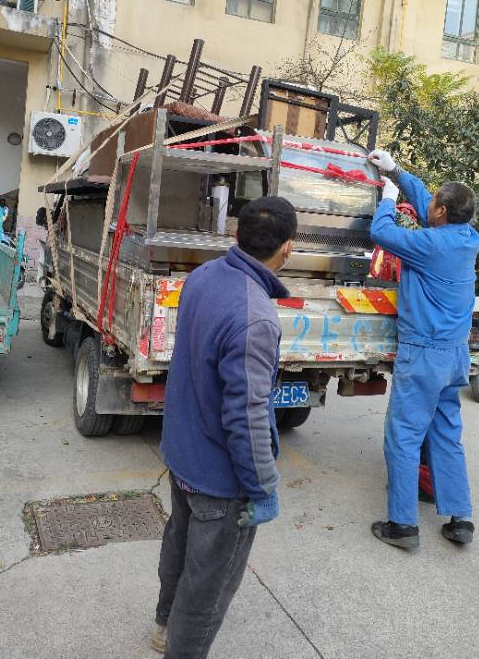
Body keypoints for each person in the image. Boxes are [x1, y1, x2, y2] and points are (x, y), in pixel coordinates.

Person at [152, 196, 297, 657]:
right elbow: (247, 418)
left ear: (237, 234)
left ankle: (162, 627)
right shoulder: (256, 316)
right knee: (207, 590)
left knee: (178, 548)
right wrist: (263, 488)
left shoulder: (203, 276)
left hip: (182, 454)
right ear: (288, 248)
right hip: (220, 480)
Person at [367, 150, 479, 551]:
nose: (427, 203)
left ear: (442, 212)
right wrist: (396, 171)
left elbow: (381, 233)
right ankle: (460, 518)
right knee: (446, 433)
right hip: (454, 356)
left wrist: (386, 199)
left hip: (424, 355)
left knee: (404, 434)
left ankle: (402, 526)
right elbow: (426, 203)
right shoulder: (468, 238)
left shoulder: (429, 244)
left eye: (434, 202)